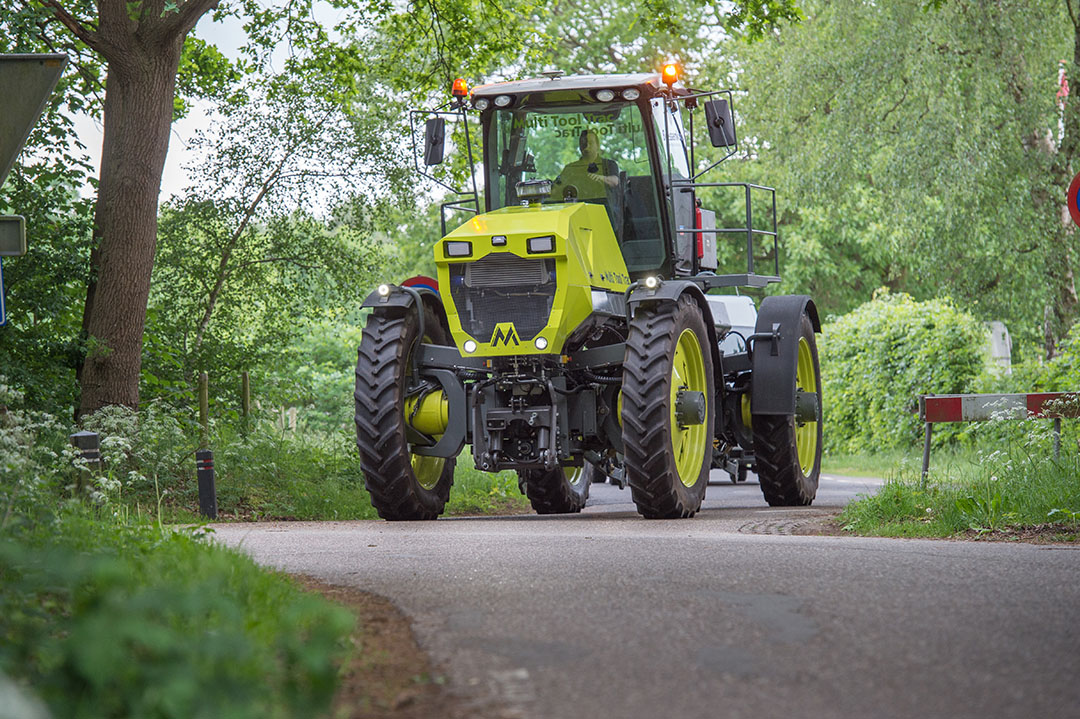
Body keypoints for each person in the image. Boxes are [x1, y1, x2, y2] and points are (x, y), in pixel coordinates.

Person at [552, 128, 620, 202]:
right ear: (580, 146)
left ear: (597, 145)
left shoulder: (608, 164)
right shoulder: (570, 168)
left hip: (606, 209)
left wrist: (601, 178)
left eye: (590, 143)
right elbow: (555, 190)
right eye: (583, 144)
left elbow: (615, 182)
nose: (587, 147)